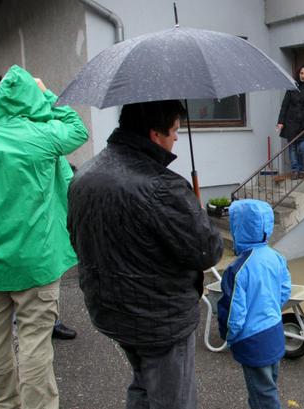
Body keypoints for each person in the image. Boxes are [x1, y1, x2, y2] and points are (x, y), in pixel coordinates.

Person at [67, 100, 223, 409]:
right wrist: (195, 213)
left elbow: (76, 238)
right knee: (173, 398)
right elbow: (207, 251)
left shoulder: (84, 176)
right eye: (175, 131)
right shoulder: (163, 187)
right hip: (159, 319)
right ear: (155, 134)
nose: (177, 138)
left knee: (142, 383)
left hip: (109, 309)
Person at [0, 65, 88, 408]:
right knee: (35, 343)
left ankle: (6, 402)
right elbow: (77, 128)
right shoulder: (43, 139)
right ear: (31, 99)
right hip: (35, 262)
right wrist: (47, 94)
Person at [217, 199, 291, 409]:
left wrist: (229, 337)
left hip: (253, 342)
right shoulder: (276, 257)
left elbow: (233, 314)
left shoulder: (237, 269)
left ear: (238, 227)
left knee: (262, 397)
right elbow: (284, 290)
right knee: (269, 387)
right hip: (275, 332)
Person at [276, 65, 304, 179]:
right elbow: (284, 105)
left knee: (303, 148)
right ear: (298, 73)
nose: (303, 75)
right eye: (301, 73)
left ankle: (303, 169)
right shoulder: (292, 86)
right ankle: (295, 170)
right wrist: (280, 122)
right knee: (292, 148)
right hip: (291, 123)